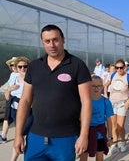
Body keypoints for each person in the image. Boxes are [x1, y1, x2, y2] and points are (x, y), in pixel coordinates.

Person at [14, 24, 92, 160]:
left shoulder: (77, 65)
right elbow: (25, 100)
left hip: (65, 138)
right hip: (36, 137)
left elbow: (86, 102)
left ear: (63, 40)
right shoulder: (34, 66)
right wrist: (18, 134)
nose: (52, 45)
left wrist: (84, 135)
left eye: (55, 40)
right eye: (47, 41)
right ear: (43, 42)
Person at [103, 59, 129, 155]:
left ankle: (123, 141)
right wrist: (105, 94)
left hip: (122, 103)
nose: (119, 69)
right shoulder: (112, 75)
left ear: (125, 67)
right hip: (112, 103)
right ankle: (115, 144)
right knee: (114, 126)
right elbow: (105, 85)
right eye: (117, 68)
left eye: (121, 67)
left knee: (120, 126)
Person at [4, 57, 33, 161]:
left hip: (28, 111)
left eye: (25, 66)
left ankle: (14, 159)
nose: (22, 69)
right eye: (20, 67)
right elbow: (7, 97)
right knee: (20, 136)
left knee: (21, 135)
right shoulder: (14, 77)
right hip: (15, 110)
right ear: (16, 68)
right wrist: (10, 89)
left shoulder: (31, 79)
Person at [80, 76, 114, 161]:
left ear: (102, 86)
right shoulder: (83, 101)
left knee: (99, 155)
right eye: (93, 86)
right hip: (85, 133)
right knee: (83, 155)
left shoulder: (106, 101)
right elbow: (79, 118)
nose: (96, 88)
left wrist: (110, 137)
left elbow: (109, 120)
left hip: (100, 133)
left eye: (99, 86)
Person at [0, 57, 18, 144]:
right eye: (11, 65)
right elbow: (8, 86)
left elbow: (15, 88)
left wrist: (9, 90)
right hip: (10, 100)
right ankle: (3, 136)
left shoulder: (22, 75)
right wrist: (7, 91)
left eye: (14, 64)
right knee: (7, 119)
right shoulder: (12, 74)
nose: (13, 66)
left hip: (18, 102)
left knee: (20, 122)